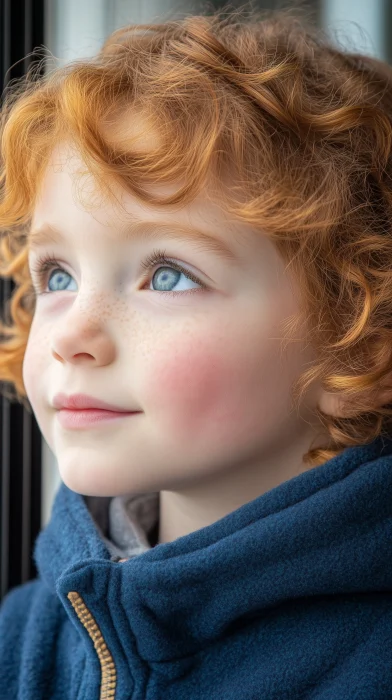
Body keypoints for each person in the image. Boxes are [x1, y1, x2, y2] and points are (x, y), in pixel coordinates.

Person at [0, 6, 392, 698]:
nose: (68, 335)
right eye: (57, 275)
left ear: (359, 335)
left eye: (169, 274)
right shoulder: (23, 637)